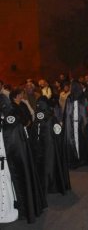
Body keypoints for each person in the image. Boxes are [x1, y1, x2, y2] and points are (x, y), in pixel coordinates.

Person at [0, 94, 47, 223]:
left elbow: (17, 145)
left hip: (11, 162)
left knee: (16, 186)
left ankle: (20, 209)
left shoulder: (13, 123)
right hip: (4, 161)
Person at [30, 96, 71, 197]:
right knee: (51, 164)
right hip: (50, 148)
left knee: (40, 165)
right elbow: (58, 133)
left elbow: (32, 134)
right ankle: (52, 185)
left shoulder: (36, 118)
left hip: (38, 149)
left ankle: (41, 185)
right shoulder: (51, 118)